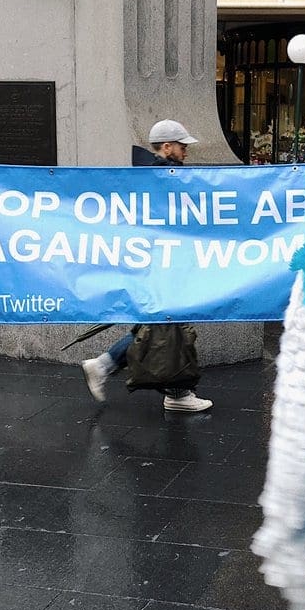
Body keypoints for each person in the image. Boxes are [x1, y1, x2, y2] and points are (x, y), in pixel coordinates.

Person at [81, 119, 213, 413]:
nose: (186, 152)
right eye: (181, 147)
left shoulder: (148, 176)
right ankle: (177, 393)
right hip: (162, 264)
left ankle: (104, 366)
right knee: (167, 325)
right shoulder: (163, 178)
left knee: (158, 325)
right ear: (167, 147)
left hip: (157, 262)